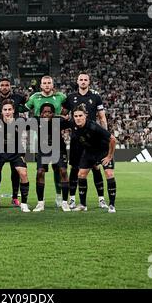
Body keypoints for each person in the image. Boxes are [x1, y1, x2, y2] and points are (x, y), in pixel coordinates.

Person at [63, 72, 109, 210]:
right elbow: (63, 116)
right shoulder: (70, 97)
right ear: (77, 82)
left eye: (85, 80)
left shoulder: (96, 97)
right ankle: (72, 198)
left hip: (93, 140)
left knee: (96, 168)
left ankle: (101, 199)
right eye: (81, 79)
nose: (83, 81)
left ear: (89, 82)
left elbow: (102, 117)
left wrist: (105, 136)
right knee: (74, 168)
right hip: (76, 139)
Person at [20, 75, 67, 208]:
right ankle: (41, 201)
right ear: (41, 85)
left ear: (52, 85)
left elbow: (70, 107)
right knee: (40, 170)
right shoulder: (35, 97)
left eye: (49, 83)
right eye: (44, 83)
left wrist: (64, 116)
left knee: (58, 169)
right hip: (39, 136)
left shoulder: (61, 97)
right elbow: (23, 109)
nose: (47, 85)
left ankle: (59, 197)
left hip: (57, 135)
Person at [0, 77, 26, 207]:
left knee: (18, 171)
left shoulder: (19, 98)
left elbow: (27, 107)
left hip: (15, 145)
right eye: (2, 85)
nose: (4, 87)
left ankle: (15, 198)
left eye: (6, 85)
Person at [70, 105, 117, 213]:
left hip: (103, 152)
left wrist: (109, 156)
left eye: (80, 115)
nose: (78, 118)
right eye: (75, 116)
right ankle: (82, 204)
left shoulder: (93, 126)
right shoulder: (73, 124)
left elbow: (113, 139)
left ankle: (112, 205)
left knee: (109, 174)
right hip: (89, 152)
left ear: (85, 116)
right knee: (81, 174)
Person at [0, 100, 31, 213]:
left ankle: (24, 204)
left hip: (16, 151)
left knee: (23, 173)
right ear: (2, 111)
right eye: (5, 110)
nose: (7, 112)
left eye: (9, 109)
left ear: (13, 111)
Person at [32, 103, 70, 212]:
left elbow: (72, 124)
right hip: (43, 150)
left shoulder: (59, 121)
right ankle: (40, 203)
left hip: (58, 149)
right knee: (40, 172)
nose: (47, 114)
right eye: (45, 112)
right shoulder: (36, 121)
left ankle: (64, 202)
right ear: (41, 114)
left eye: (49, 112)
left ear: (53, 114)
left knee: (63, 171)